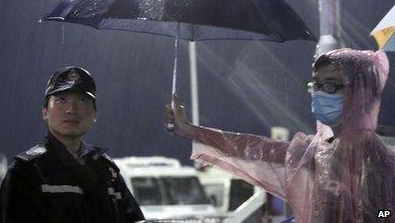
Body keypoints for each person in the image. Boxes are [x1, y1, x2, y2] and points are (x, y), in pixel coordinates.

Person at [164, 48, 395, 222]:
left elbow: (386, 212)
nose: (319, 94)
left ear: (362, 93)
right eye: (316, 85)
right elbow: (254, 148)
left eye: (331, 86)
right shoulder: (319, 152)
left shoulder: (380, 164)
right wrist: (192, 131)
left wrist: (381, 215)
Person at [0, 66, 145, 223]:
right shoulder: (26, 171)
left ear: (95, 114)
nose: (72, 109)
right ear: (45, 111)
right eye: (62, 100)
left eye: (82, 100)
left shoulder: (106, 171)